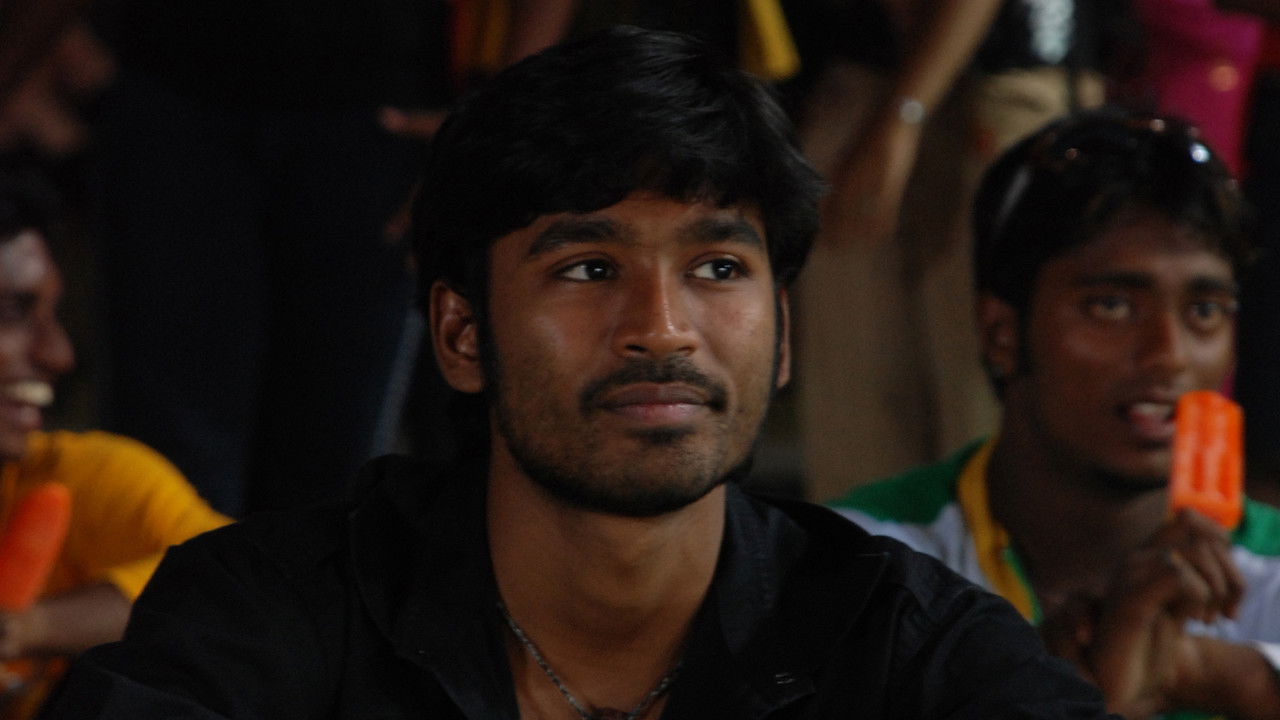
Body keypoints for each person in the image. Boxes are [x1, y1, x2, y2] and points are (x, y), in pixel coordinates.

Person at [44, 28, 1114, 719]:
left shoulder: (902, 648)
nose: (661, 328)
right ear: (462, 335)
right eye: (588, 268)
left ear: (784, 334)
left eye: (716, 267)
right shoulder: (270, 617)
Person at [832, 110, 1280, 719]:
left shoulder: (1268, 569)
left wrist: (1215, 676)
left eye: (1204, 311)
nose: (1169, 355)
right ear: (1001, 332)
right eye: (1111, 305)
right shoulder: (863, 564)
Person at [0, 157, 229, 717]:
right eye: (11, 311)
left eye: (52, 313)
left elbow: (242, 590)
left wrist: (28, 629)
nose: (58, 354)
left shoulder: (85, 480)